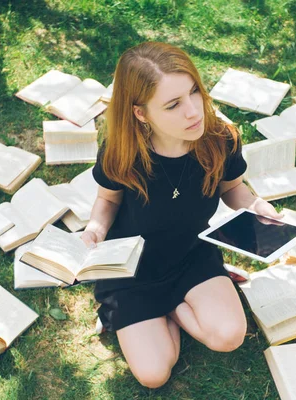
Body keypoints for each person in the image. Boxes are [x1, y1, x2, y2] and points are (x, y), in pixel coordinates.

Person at [80, 42, 283, 389]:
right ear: (141, 114)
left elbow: (232, 189)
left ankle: (174, 307)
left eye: (193, 93)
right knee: (155, 374)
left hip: (191, 254)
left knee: (229, 336)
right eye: (173, 105)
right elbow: (108, 200)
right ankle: (163, 311)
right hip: (132, 269)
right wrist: (96, 228)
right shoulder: (121, 152)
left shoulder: (220, 138)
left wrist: (256, 205)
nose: (193, 112)